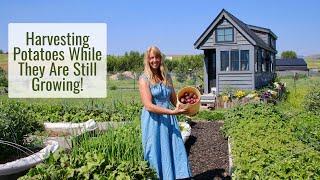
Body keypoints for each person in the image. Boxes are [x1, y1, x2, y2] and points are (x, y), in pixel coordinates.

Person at [139, 46, 192, 180]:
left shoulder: (166, 77)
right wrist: (172, 112)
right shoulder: (144, 79)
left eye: (157, 57)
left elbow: (174, 100)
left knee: (174, 148)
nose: (155, 60)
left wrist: (188, 108)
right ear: (148, 59)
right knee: (155, 150)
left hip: (169, 119)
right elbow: (149, 106)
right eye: (152, 57)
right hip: (153, 121)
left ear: (161, 59)